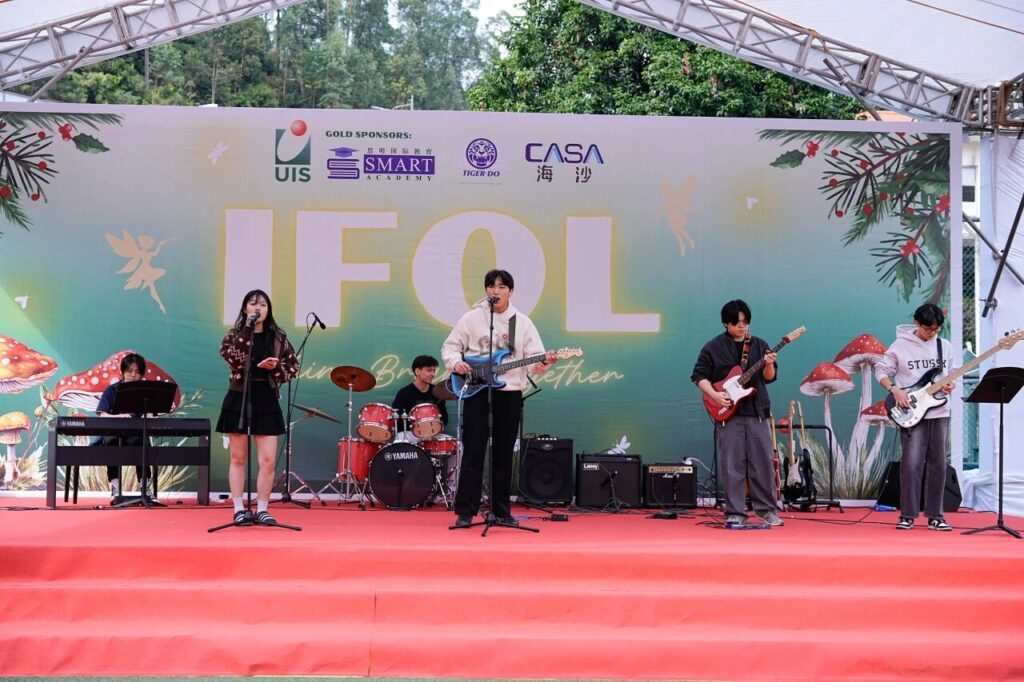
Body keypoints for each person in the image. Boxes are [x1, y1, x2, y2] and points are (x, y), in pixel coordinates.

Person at [441, 269, 558, 527]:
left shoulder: (522, 323)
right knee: (473, 450)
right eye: (492, 286)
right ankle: (465, 511)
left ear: (511, 292)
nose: (496, 291)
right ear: (486, 290)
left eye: (502, 287)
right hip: (476, 391)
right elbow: (450, 347)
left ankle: (502, 511)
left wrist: (545, 362)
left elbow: (534, 362)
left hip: (509, 394)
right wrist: (456, 363)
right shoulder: (471, 318)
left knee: (504, 453)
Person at [691, 299, 782, 528]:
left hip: (757, 411)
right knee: (732, 465)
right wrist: (714, 395)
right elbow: (699, 375)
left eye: (745, 322)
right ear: (725, 323)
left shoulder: (760, 345)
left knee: (763, 464)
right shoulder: (713, 347)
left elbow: (769, 378)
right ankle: (735, 512)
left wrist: (769, 364)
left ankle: (767, 510)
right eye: (736, 322)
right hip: (728, 414)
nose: (742, 326)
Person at [216, 289, 299, 526]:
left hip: (266, 397)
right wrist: (247, 331)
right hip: (239, 396)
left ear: (268, 310)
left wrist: (275, 367)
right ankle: (238, 509)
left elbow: (293, 367)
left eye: (263, 305)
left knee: (268, 460)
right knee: (238, 457)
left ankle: (262, 509)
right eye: (253, 304)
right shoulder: (235, 335)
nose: (258, 308)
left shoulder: (278, 337)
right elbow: (230, 356)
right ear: (245, 309)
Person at [875, 303, 955, 531]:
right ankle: (907, 514)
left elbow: (951, 373)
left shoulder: (944, 346)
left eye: (937, 329)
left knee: (939, 464)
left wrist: (950, 384)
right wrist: (894, 390)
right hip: (911, 411)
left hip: (939, 411)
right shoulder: (900, 346)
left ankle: (936, 516)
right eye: (928, 329)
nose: (932, 333)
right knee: (911, 464)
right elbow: (880, 369)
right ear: (917, 323)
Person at [95, 352, 156, 504]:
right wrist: (118, 416)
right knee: (112, 444)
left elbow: (150, 414)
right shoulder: (111, 390)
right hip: (114, 434)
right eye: (130, 371)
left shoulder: (146, 392)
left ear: (141, 374)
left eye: (137, 372)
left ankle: (145, 489)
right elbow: (102, 414)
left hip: (136, 434)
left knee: (141, 443)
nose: (133, 375)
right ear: (123, 371)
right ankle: (115, 489)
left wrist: (148, 415)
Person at [391, 355, 449, 443]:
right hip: (411, 433)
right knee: (400, 442)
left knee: (457, 445)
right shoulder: (404, 392)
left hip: (432, 433)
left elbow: (444, 416)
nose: (433, 374)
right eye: (429, 370)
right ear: (417, 371)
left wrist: (439, 426)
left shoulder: (437, 392)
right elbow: (395, 416)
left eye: (434, 371)